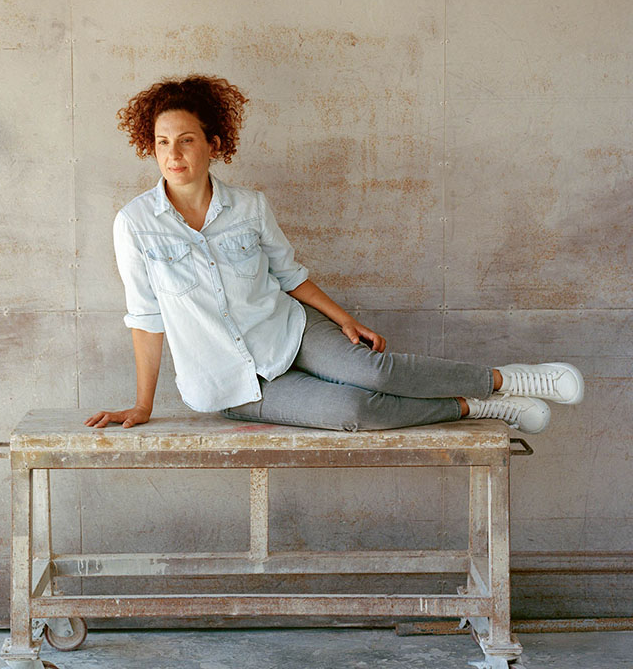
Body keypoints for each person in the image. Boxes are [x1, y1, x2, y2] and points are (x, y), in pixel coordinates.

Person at [85, 75, 583, 434]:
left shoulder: (250, 207)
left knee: (374, 371)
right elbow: (146, 318)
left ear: (213, 144)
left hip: (289, 332)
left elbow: (289, 275)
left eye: (186, 140)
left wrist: (345, 320)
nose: (173, 154)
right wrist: (143, 405)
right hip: (230, 384)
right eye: (162, 142)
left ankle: (505, 379)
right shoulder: (134, 224)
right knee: (354, 409)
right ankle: (478, 407)